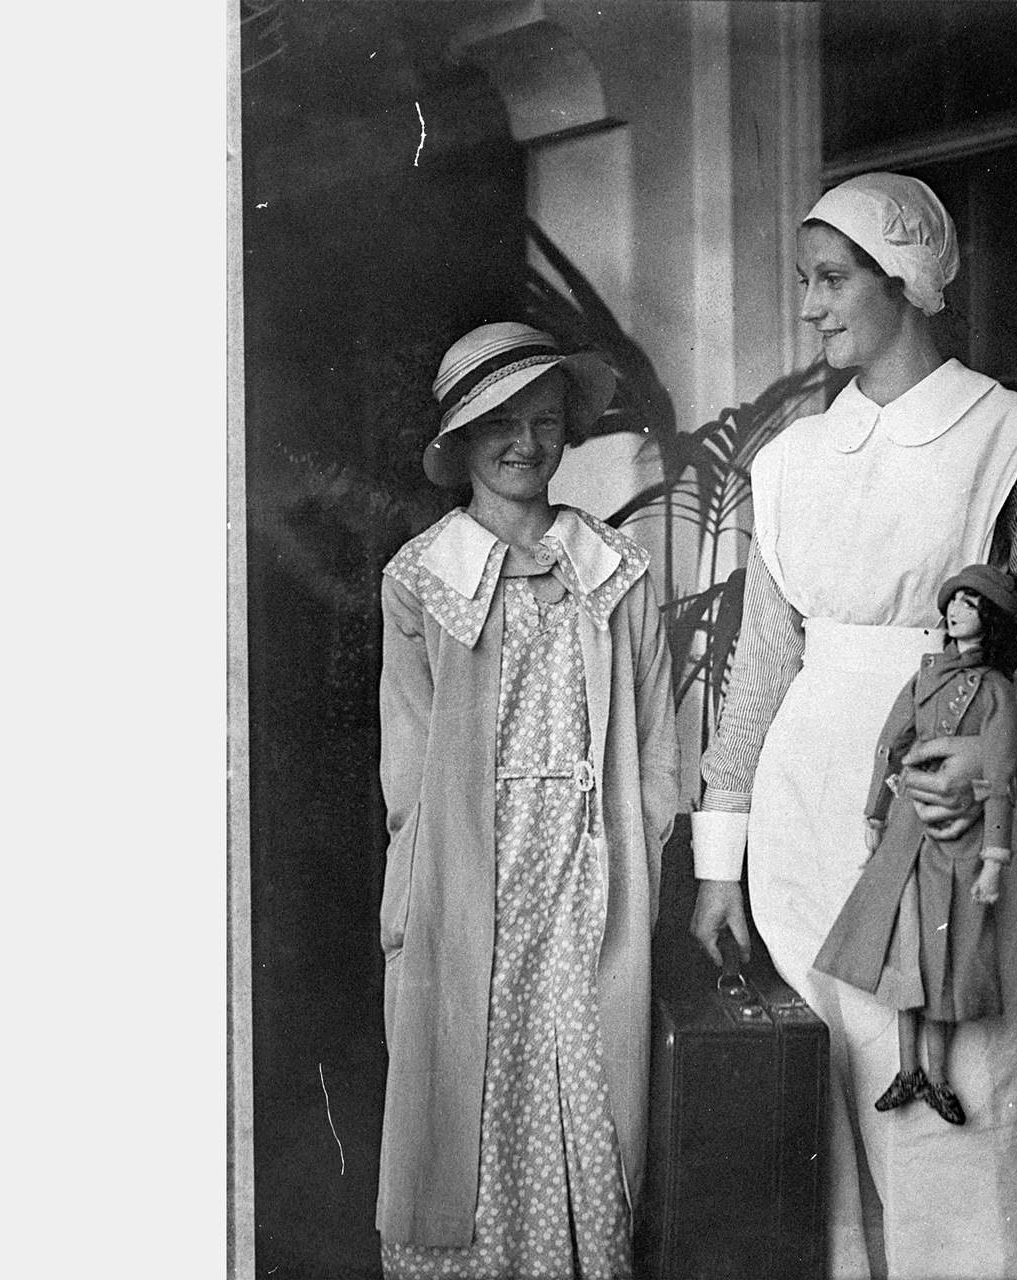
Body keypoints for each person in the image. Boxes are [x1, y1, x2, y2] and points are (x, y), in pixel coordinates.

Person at [689, 173, 1017, 1279]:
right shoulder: (786, 465)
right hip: (798, 815)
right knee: (818, 1129)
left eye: (832, 281)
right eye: (804, 283)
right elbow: (764, 662)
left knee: (951, 1109)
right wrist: (720, 861)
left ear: (906, 281)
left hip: (940, 813)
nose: (811, 307)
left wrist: (1003, 744)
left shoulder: (1005, 434)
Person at [374, 321, 680, 1280]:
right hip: (473, 875)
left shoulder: (615, 569)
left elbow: (657, 745)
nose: (524, 443)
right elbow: (409, 769)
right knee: (472, 1080)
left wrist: (641, 863)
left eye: (544, 421)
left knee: (586, 1085)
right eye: (498, 423)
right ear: (460, 442)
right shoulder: (421, 580)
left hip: (592, 870)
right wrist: (413, 900)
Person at [814, 566, 1017, 1129]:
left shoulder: (998, 691)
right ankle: (908, 1070)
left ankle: (937, 1076)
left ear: (992, 620)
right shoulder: (924, 675)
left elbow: (1001, 776)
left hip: (959, 837)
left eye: (971, 604)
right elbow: (891, 744)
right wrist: (873, 814)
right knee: (904, 951)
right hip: (908, 830)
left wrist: (994, 862)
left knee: (947, 956)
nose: (957, 611)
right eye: (953, 601)